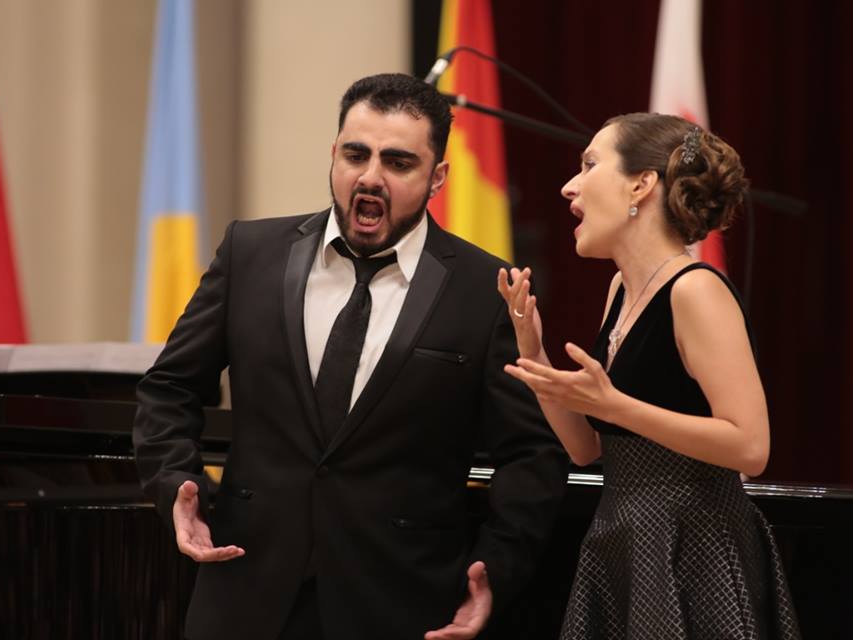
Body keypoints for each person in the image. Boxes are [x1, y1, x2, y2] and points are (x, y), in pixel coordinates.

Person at [133, 72, 569, 640]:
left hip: (403, 603)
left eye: (398, 163)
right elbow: (168, 388)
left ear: (437, 177)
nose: (370, 177)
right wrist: (174, 485)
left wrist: (498, 567)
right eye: (355, 154)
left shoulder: (485, 288)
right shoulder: (251, 252)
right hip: (244, 590)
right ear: (333, 154)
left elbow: (532, 452)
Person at [498, 113, 801, 639]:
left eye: (590, 164)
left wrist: (615, 405)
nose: (570, 185)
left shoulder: (696, 290)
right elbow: (586, 449)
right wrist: (536, 354)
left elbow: (751, 446)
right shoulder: (621, 289)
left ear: (641, 184)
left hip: (697, 549)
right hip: (625, 538)